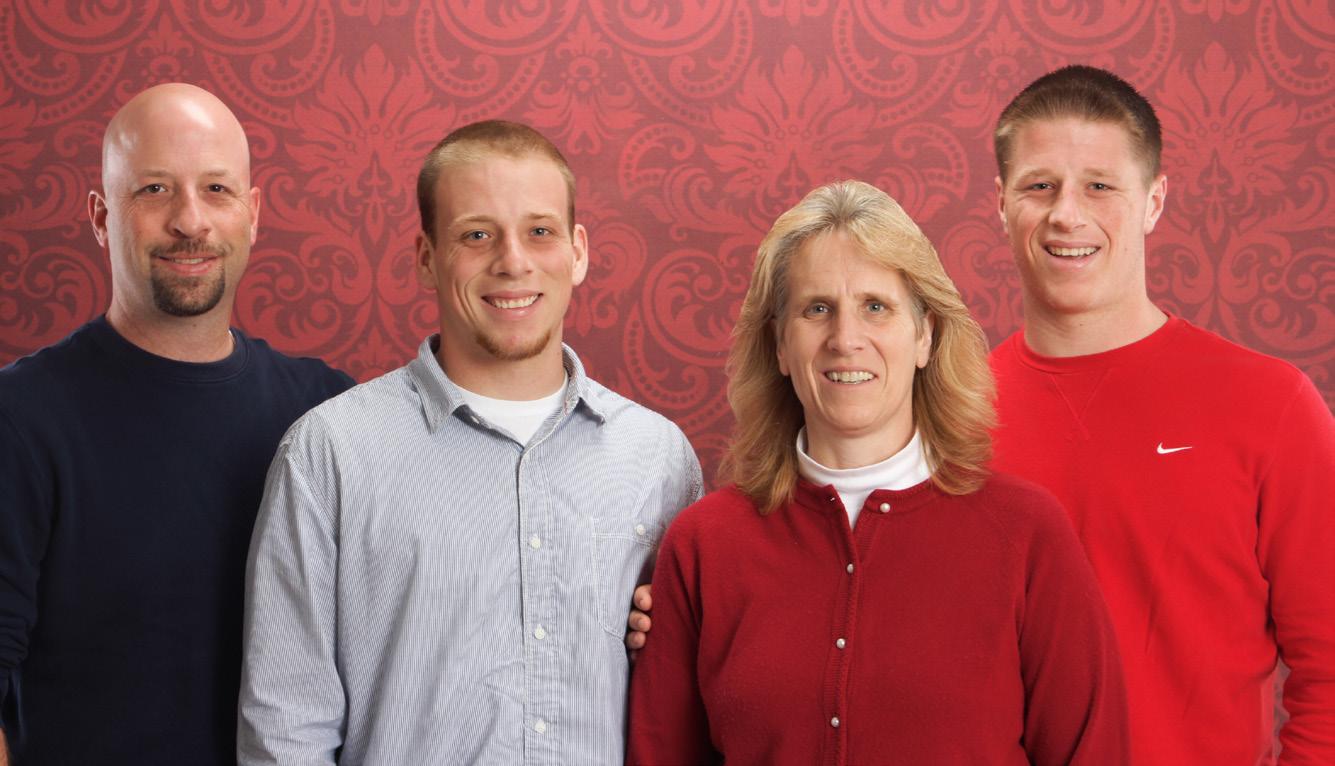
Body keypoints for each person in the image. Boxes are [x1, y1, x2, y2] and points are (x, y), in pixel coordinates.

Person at [237, 120, 702, 764]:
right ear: (427, 258)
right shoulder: (328, 454)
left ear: (578, 252)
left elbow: (686, 701)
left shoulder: (659, 457)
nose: (513, 261)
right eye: (477, 235)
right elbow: (286, 730)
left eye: (539, 232)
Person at [626, 180, 1127, 765]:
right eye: (817, 309)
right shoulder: (704, 545)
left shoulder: (1026, 534)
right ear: (781, 346)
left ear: (925, 336)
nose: (846, 340)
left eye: (876, 307)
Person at [987, 66, 1334, 764]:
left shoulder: (1270, 404)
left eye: (1099, 186)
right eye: (1039, 186)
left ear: (1153, 201)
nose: (1066, 214)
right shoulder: (950, 413)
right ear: (1001, 203)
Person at [0, 84, 352, 765]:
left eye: (216, 189)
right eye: (154, 190)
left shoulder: (326, 412)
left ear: (252, 213)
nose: (190, 221)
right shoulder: (19, 420)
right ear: (101, 217)